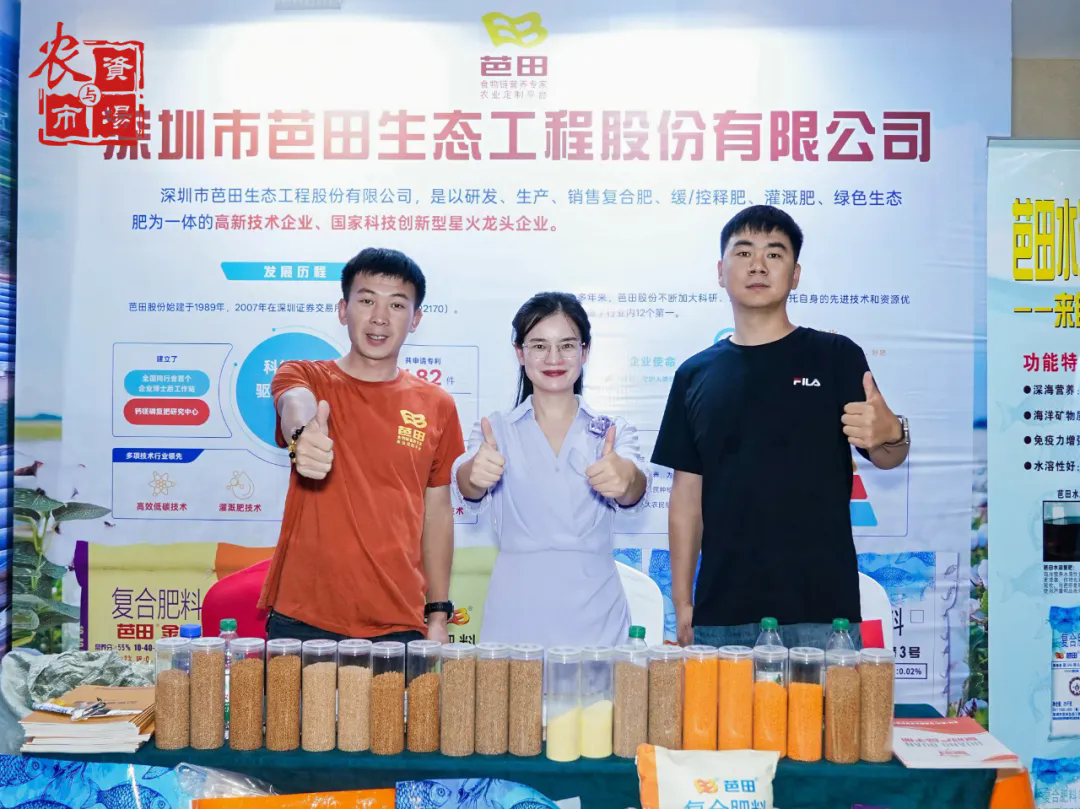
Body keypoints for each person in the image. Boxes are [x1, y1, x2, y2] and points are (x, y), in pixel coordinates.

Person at [652, 206, 910, 649]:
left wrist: (892, 432)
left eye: (774, 254)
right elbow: (686, 499)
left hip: (823, 614)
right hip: (722, 614)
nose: (758, 265)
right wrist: (682, 603)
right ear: (720, 272)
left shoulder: (835, 356)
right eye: (743, 252)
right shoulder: (694, 375)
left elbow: (888, 457)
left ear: (795, 275)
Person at [258, 247, 465, 644]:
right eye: (367, 300)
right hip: (302, 615)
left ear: (416, 319)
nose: (379, 317)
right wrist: (303, 435)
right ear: (343, 310)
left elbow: (437, 512)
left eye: (397, 305)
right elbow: (295, 403)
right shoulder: (305, 375)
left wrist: (438, 613)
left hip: (398, 620)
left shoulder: (437, 405)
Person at [452, 292, 651, 648]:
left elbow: (635, 485)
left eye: (567, 345)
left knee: (600, 687)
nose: (554, 358)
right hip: (516, 616)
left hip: (597, 620)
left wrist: (626, 479)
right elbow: (467, 481)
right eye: (539, 345)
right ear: (519, 352)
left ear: (585, 352)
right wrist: (474, 476)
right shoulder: (495, 429)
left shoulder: (612, 430)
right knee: (514, 687)